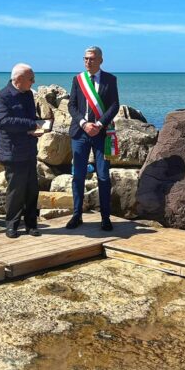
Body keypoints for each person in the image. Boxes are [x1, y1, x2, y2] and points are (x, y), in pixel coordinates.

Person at [67, 46, 120, 231]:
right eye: (85, 58)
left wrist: (99, 124)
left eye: (91, 58)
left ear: (100, 60)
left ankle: (105, 217)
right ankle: (76, 215)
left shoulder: (110, 79)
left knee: (104, 176)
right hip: (80, 134)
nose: (88, 61)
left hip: (101, 134)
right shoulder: (78, 79)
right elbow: (72, 105)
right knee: (78, 176)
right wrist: (83, 123)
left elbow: (114, 105)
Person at [0, 63, 46, 238]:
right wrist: (32, 125)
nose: (34, 82)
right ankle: (12, 225)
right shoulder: (2, 96)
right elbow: (3, 122)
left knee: (32, 189)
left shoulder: (29, 94)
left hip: (29, 149)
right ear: (19, 79)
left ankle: (31, 224)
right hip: (12, 151)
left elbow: (30, 117)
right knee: (16, 190)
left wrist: (39, 126)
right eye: (31, 79)